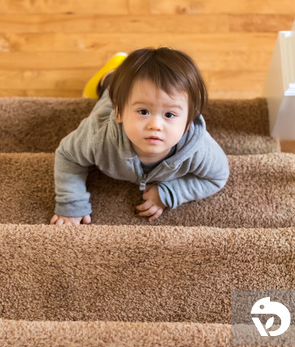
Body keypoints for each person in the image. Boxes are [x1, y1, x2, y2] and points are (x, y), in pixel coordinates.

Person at [50, 47, 230, 225]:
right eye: (143, 111)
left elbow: (218, 177)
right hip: (110, 101)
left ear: (188, 121)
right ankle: (111, 71)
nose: (155, 125)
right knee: (112, 86)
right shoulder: (99, 134)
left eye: (169, 115)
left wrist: (170, 192)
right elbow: (68, 155)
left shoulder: (198, 149)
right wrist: (71, 203)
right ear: (119, 113)